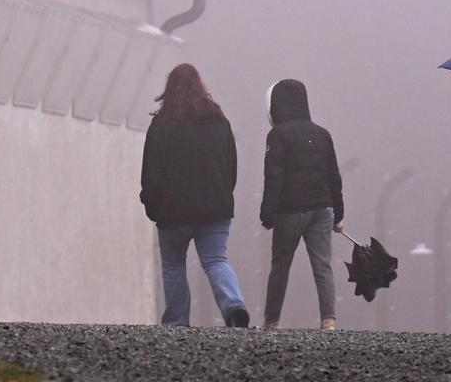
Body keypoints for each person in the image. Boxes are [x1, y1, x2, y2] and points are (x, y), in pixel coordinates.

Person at [140, 62, 250, 328]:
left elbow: (151, 171)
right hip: (215, 207)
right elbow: (231, 167)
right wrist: (223, 193)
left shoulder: (162, 125)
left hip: (173, 211)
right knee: (215, 260)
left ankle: (177, 321)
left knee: (174, 265)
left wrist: (152, 206)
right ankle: (234, 306)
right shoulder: (219, 120)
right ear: (200, 87)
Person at [258, 78, 343, 330]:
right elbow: (334, 176)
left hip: (290, 210)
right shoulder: (322, 134)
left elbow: (274, 177)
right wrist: (339, 214)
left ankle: (271, 321)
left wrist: (267, 213)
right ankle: (328, 320)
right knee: (322, 266)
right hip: (322, 208)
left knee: (280, 266)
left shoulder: (277, 135)